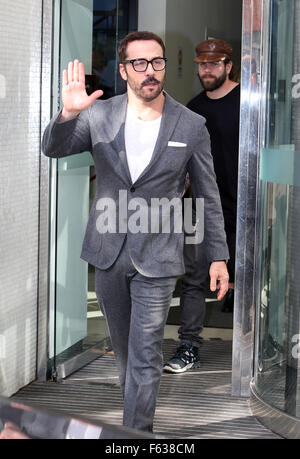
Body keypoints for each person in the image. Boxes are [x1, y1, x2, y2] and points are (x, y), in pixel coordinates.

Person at [42, 31, 229, 433]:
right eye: (139, 63)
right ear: (124, 70)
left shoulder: (191, 123)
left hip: (158, 256)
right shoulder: (99, 115)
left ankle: (134, 436)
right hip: (108, 252)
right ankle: (133, 421)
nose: (150, 71)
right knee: (126, 354)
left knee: (146, 353)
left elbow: (209, 195)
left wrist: (218, 256)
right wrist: (68, 114)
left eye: (157, 62)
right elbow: (53, 148)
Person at [164, 39, 240, 374]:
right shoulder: (193, 110)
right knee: (194, 278)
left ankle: (256, 350)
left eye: (214, 63)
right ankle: (189, 347)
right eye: (202, 64)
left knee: (251, 277)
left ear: (228, 65)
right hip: (202, 207)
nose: (206, 70)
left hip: (244, 203)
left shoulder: (249, 102)